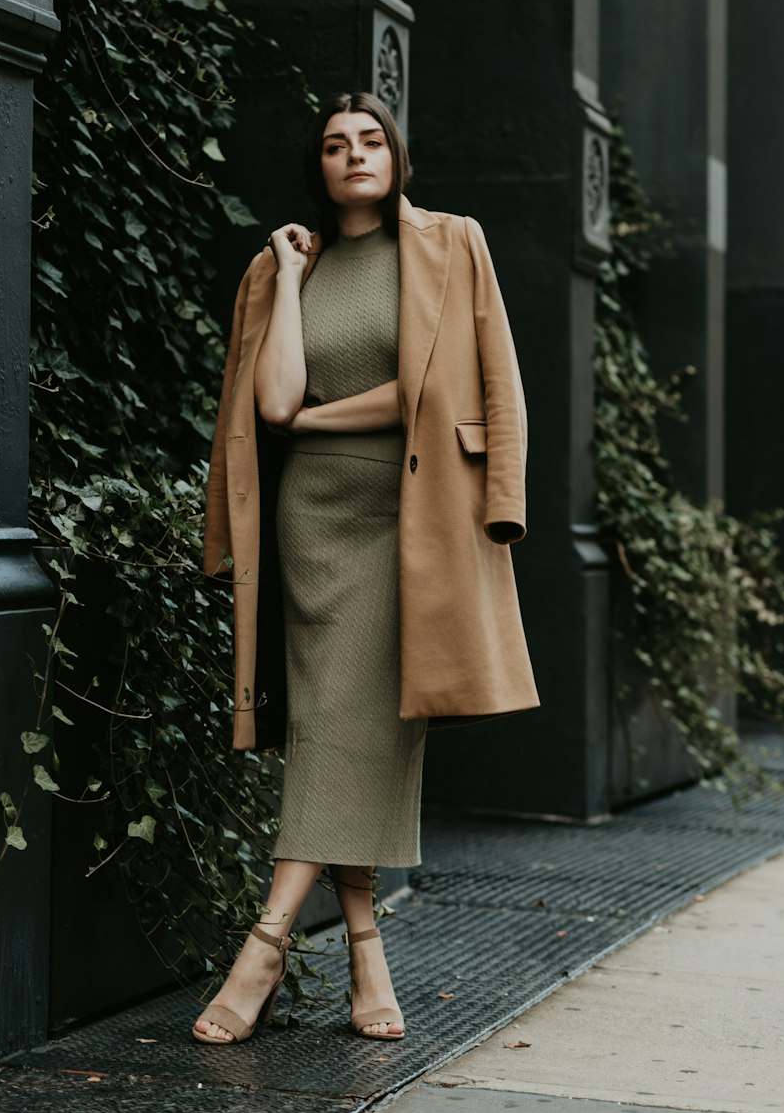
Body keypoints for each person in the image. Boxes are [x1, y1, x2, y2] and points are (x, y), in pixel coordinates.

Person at [193, 90, 539, 1045]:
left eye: (372, 140)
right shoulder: (288, 269)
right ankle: (362, 949)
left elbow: (464, 383)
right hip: (312, 520)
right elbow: (274, 400)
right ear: (321, 165)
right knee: (341, 725)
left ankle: (265, 943)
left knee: (353, 722)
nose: (356, 155)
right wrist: (289, 272)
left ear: (397, 156)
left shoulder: (450, 244)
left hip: (413, 515)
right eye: (338, 145)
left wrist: (502, 501)